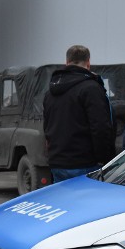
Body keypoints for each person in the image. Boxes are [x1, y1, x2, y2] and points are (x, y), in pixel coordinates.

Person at [43, 45, 115, 184]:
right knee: (87, 204)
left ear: (66, 62)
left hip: (57, 163)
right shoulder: (92, 89)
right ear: (88, 63)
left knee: (64, 204)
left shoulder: (50, 92)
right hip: (85, 163)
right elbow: (100, 127)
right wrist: (105, 158)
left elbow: (47, 128)